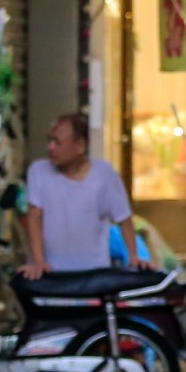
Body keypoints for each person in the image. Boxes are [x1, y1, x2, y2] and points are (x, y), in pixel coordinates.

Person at [21, 111, 144, 280]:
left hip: (93, 276)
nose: (50, 147)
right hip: (50, 276)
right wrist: (38, 261)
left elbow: (124, 218)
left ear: (80, 146)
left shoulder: (105, 175)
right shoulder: (38, 171)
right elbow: (34, 217)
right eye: (49, 140)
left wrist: (133, 258)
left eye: (57, 142)